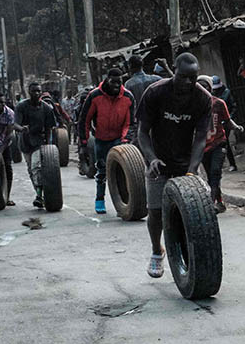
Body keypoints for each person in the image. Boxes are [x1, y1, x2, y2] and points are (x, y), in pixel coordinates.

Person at [137, 53, 214, 277]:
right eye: (183, 77)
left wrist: (193, 170)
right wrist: (151, 159)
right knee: (155, 213)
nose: (189, 82)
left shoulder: (202, 98)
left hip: (186, 162)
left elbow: (200, 138)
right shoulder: (155, 92)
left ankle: (188, 257)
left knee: (193, 211)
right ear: (174, 70)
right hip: (158, 162)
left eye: (193, 77)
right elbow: (142, 133)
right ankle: (155, 251)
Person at [82, 69, 135, 214]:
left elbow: (130, 123)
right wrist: (84, 141)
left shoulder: (128, 97)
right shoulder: (95, 96)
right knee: (101, 171)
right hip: (101, 140)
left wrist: (125, 139)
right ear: (107, 80)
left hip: (119, 140)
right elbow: (84, 120)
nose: (116, 85)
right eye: (113, 82)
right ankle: (100, 199)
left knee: (121, 172)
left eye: (119, 82)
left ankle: (124, 203)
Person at [197, 75, 244, 212]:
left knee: (215, 171)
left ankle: (211, 203)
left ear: (210, 89)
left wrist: (236, 127)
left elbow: (228, 120)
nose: (203, 90)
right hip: (203, 146)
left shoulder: (219, 103)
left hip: (218, 142)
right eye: (200, 87)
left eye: (206, 87)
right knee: (210, 175)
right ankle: (219, 201)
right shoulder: (193, 106)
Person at [15, 83, 58, 209]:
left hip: (40, 142)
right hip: (25, 141)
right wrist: (21, 128)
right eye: (34, 91)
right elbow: (15, 124)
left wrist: (49, 145)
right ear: (29, 92)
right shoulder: (21, 106)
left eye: (39, 91)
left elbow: (50, 127)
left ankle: (39, 196)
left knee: (36, 167)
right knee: (31, 170)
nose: (37, 94)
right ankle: (40, 194)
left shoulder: (46, 108)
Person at [124, 54, 164, 141]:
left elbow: (127, 107)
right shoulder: (156, 79)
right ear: (142, 65)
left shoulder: (129, 84)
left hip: (140, 122)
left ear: (130, 66)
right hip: (158, 120)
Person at [211, 75, 238, 171]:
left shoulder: (227, 93)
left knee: (224, 142)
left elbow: (234, 107)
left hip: (226, 121)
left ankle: (232, 164)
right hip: (215, 122)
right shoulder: (211, 95)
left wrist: (229, 118)